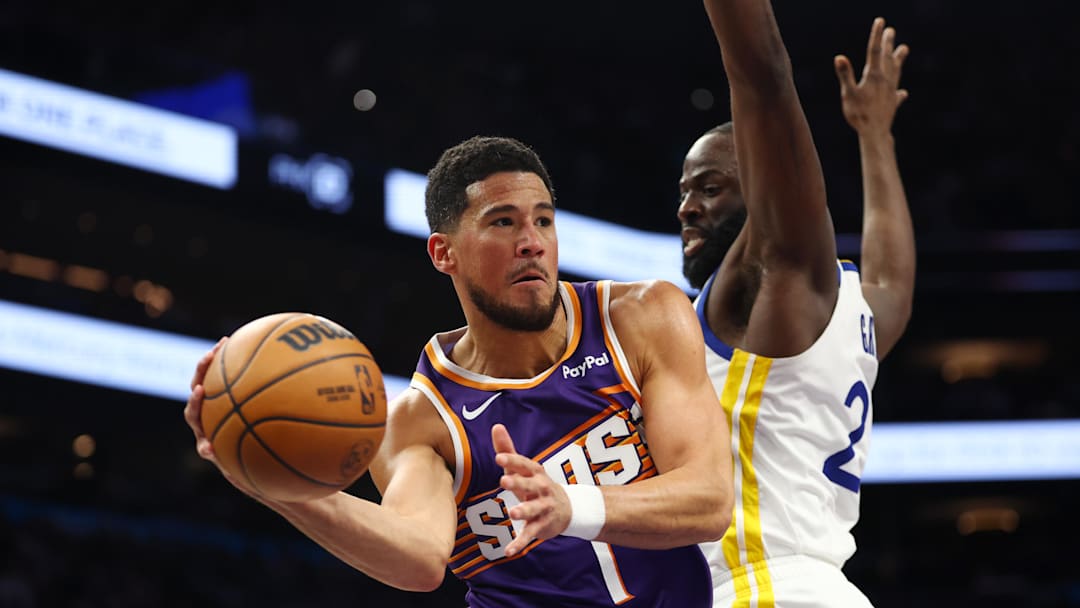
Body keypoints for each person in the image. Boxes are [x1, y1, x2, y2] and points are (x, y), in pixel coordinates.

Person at [185, 135, 734, 607]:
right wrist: (269, 480)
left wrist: (571, 505)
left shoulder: (641, 318)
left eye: (543, 219)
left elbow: (709, 499)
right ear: (443, 253)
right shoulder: (422, 419)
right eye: (503, 222)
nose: (532, 242)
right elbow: (420, 558)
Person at [677, 5, 915, 607]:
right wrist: (874, 136)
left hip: (762, 588)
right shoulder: (852, 307)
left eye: (709, 187)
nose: (687, 208)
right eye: (684, 192)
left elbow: (763, 79)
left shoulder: (777, 279)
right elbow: (893, 280)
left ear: (762, 194)